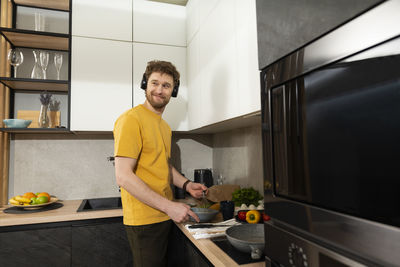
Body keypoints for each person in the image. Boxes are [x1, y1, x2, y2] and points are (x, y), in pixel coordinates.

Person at [113, 60, 208, 267]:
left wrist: (186, 184)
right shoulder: (131, 120)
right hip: (145, 219)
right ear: (145, 84)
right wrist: (169, 207)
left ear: (173, 91)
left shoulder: (164, 126)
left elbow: (162, 164)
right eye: (154, 83)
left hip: (165, 214)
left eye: (166, 85)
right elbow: (123, 176)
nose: (159, 90)